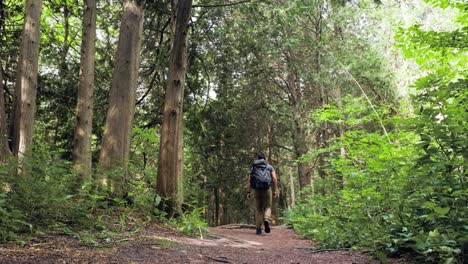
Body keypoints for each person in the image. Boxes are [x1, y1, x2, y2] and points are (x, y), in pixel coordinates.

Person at [247, 152, 278, 235]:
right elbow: (274, 179)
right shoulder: (269, 167)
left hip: (256, 190)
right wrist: (275, 190)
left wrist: (249, 192)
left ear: (258, 158)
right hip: (267, 189)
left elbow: (249, 181)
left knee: (258, 209)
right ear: (264, 158)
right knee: (268, 206)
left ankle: (258, 229)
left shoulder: (254, 168)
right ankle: (266, 219)